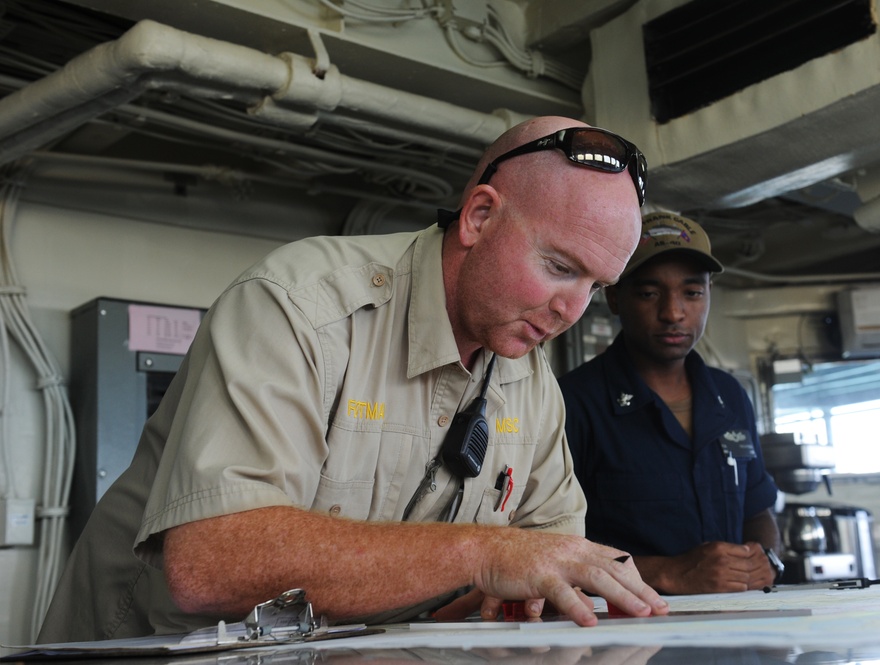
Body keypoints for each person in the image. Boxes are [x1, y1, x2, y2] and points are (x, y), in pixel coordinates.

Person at [38, 116, 670, 643]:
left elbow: (545, 576)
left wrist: (522, 587)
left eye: (596, 287)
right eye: (560, 267)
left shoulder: (529, 381)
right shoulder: (300, 306)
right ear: (479, 216)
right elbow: (210, 563)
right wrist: (485, 552)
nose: (572, 311)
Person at [558, 211, 781, 595]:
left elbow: (756, 509)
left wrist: (766, 559)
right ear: (614, 296)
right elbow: (549, 545)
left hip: (736, 632)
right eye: (649, 293)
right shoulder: (572, 403)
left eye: (692, 293)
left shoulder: (729, 396)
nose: (673, 313)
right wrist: (670, 572)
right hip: (626, 640)